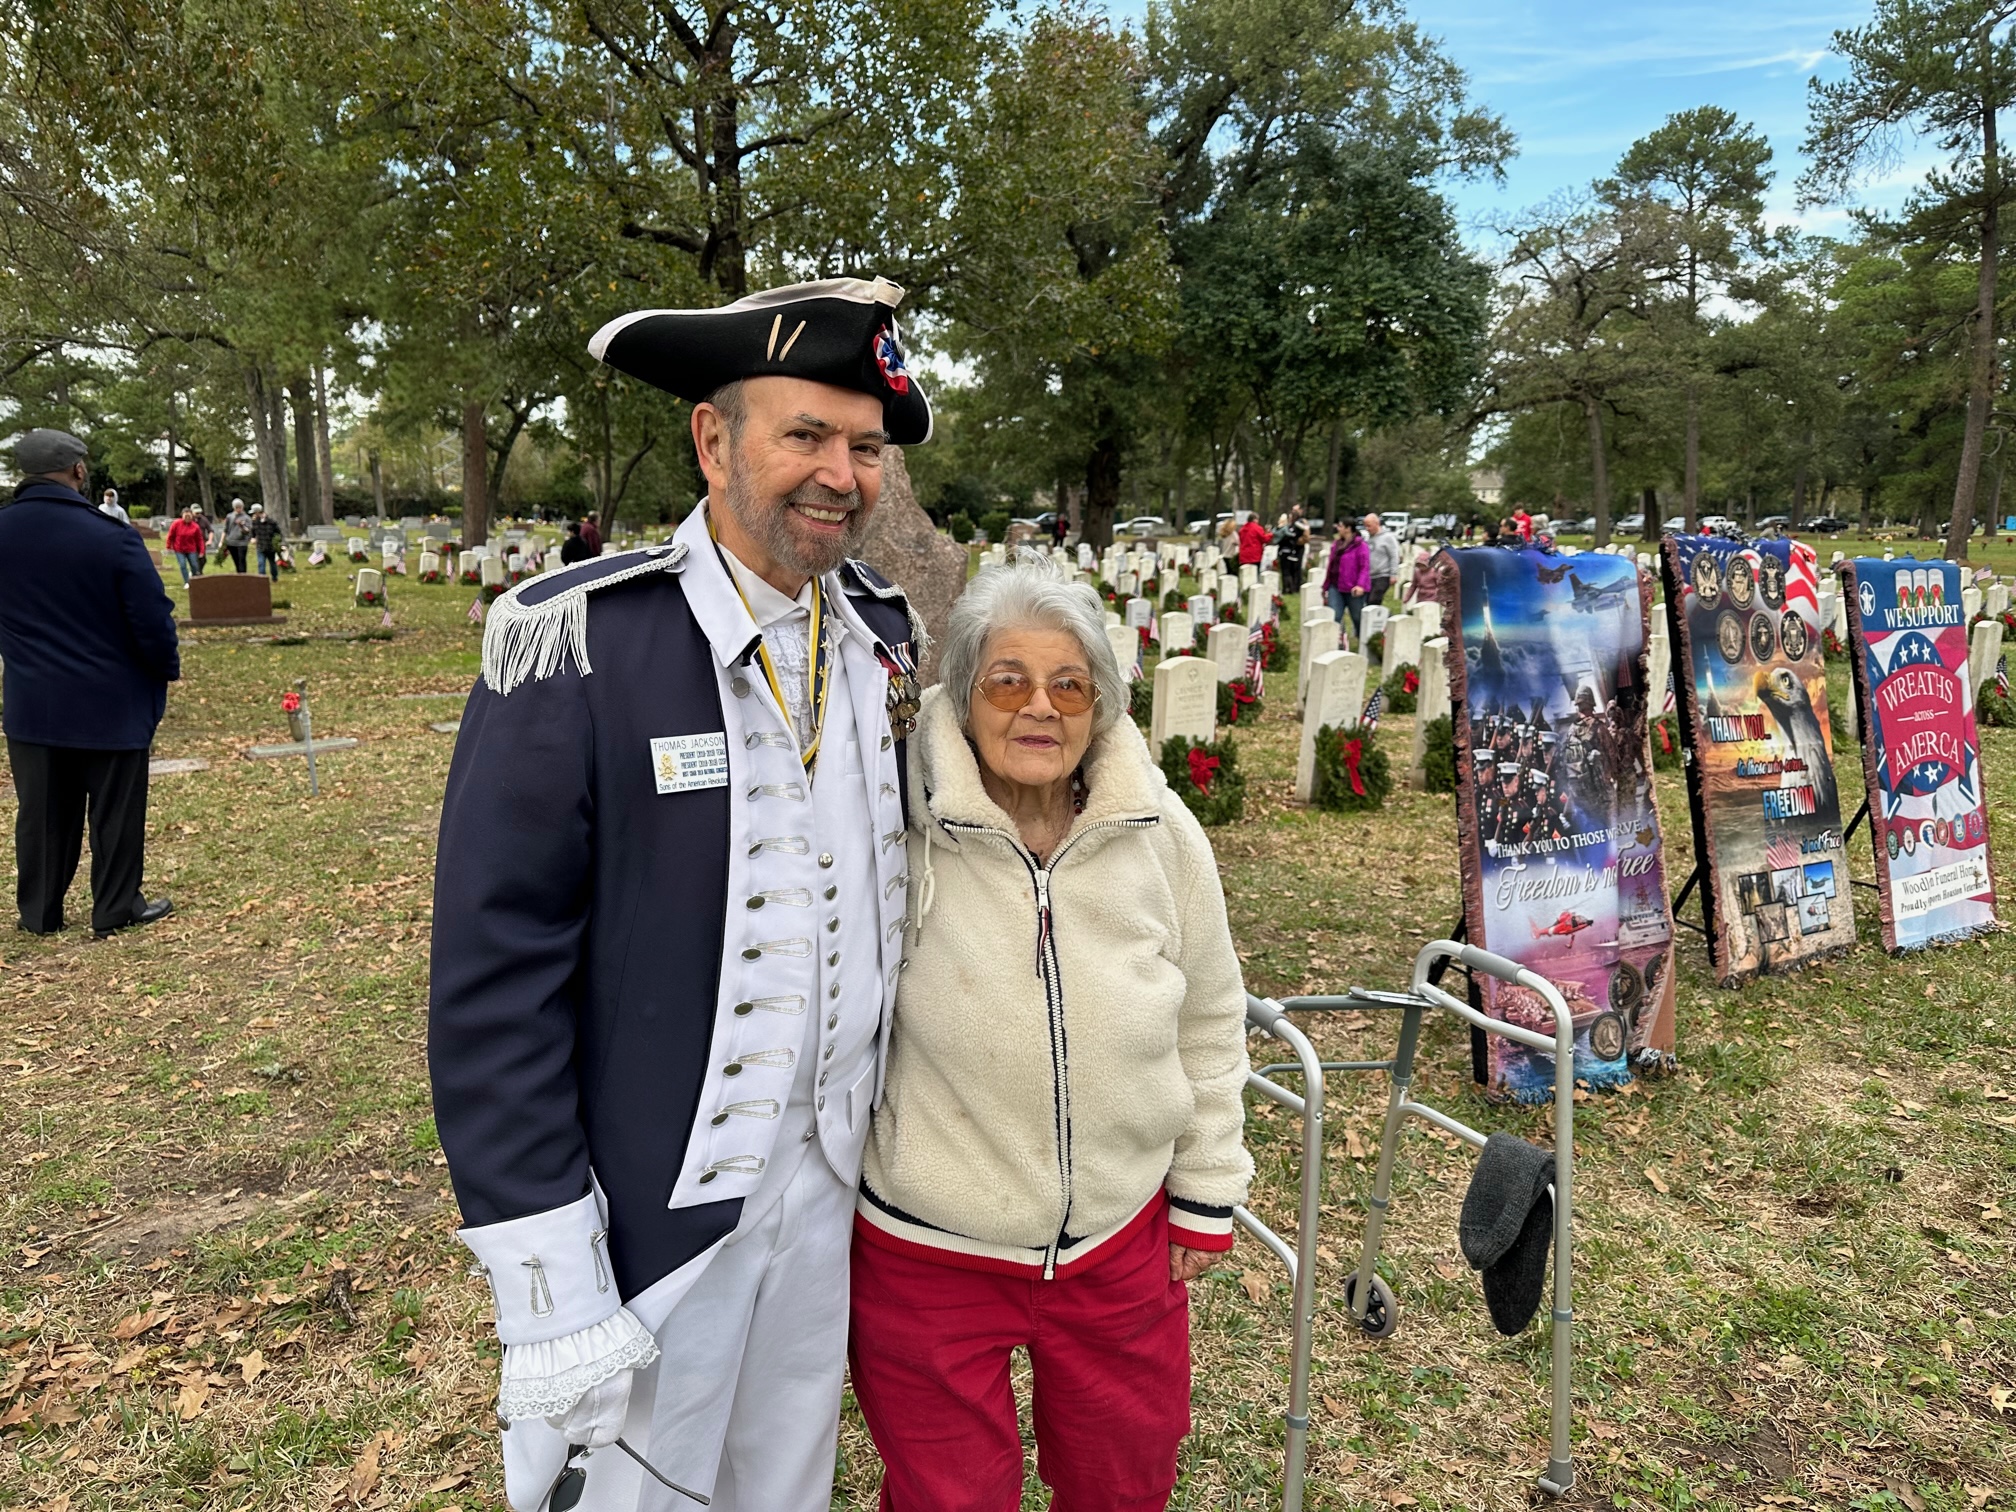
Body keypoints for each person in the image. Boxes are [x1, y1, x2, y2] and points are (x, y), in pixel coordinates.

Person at [430, 276, 929, 1512]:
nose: (841, 473)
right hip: (649, 1215)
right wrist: (548, 1270)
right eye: (804, 434)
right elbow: (497, 975)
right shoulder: (580, 643)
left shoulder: (878, 634)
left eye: (864, 446)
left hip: (831, 1188)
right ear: (714, 441)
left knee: (784, 1484)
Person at [849, 555, 1250, 1511]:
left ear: (1100, 704)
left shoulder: (1161, 834)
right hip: (930, 1247)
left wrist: (1205, 1187)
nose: (1040, 708)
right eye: (1009, 680)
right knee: (950, 1497)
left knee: (1126, 1479)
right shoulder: (897, 825)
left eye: (1069, 684)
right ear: (963, 694)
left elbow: (1209, 1014)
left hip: (1119, 1241)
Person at [0, 429, 177, 936]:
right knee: (116, 811)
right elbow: (150, 618)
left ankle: (39, 912)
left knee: (41, 812)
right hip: (110, 698)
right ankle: (115, 905)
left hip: (33, 699)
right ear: (78, 471)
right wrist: (163, 667)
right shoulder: (111, 536)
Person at [1325, 518, 1370, 638]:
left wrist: (1360, 585)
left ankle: (1363, 641)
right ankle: (1334, 643)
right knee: (1335, 616)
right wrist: (1326, 585)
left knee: (1357, 618)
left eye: (1340, 526)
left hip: (1353, 588)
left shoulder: (1361, 546)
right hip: (1335, 586)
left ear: (1348, 528)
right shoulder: (1336, 544)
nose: (1338, 528)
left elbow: (1364, 567)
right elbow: (1331, 566)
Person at [1364, 512, 1399, 607]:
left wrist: (1393, 574)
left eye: (1369, 526)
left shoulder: (1388, 538)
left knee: (1374, 600)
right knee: (1367, 602)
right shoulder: (1367, 538)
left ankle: (1383, 618)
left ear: (1377, 523)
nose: (1367, 529)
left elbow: (1394, 556)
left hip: (1383, 574)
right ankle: (1383, 618)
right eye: (1365, 526)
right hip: (1370, 575)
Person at [165, 506, 207, 583]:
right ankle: (187, 582)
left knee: (194, 565)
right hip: (179, 549)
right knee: (183, 565)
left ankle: (194, 579)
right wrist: (168, 546)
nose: (187, 518)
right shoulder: (176, 524)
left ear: (192, 516)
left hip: (191, 549)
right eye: (186, 516)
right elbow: (170, 535)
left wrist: (202, 551)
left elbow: (200, 540)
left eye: (189, 516)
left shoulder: (195, 526)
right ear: (182, 515)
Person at [1275, 507, 1307, 594]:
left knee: (1288, 571)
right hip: (1291, 550)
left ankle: (1289, 588)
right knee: (1290, 570)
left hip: (1291, 549)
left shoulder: (1296, 526)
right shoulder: (1289, 527)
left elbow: (1298, 534)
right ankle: (1291, 587)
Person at [249, 504, 283, 582]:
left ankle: (274, 577)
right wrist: (253, 538)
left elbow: (278, 533)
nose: (254, 515)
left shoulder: (271, 522)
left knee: (272, 563)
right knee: (261, 563)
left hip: (270, 547)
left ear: (258, 512)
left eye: (254, 513)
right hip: (260, 547)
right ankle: (262, 580)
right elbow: (253, 533)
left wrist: (278, 543)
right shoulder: (255, 522)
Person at [222, 499, 251, 572]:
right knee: (236, 560)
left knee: (242, 560)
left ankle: (243, 576)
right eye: (237, 507)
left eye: (240, 507)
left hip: (242, 542)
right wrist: (222, 541)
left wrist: (241, 526)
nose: (238, 509)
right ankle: (238, 575)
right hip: (231, 542)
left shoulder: (246, 517)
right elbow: (226, 529)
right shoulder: (229, 516)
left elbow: (248, 531)